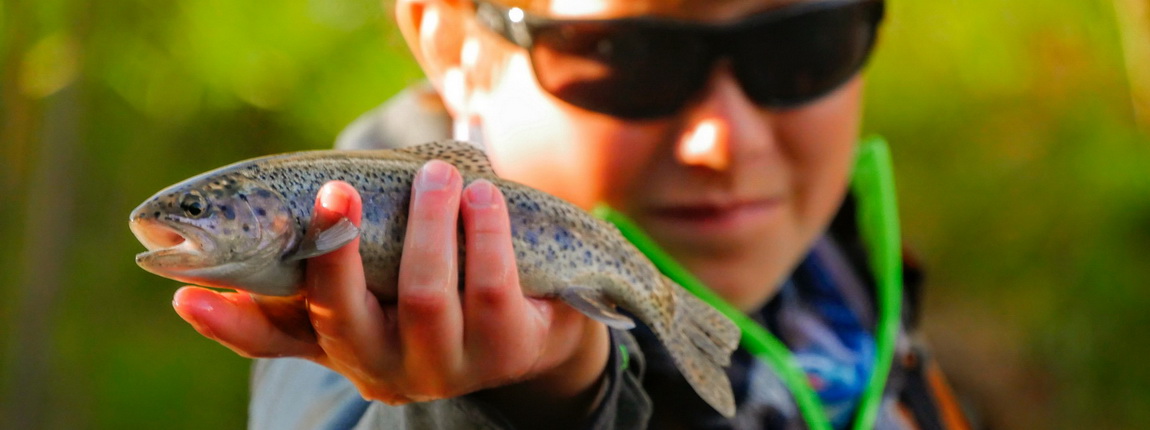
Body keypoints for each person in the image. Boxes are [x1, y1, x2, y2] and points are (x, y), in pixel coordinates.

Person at [170, 0, 973, 428]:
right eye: (631, 55)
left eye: (807, 43)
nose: (724, 140)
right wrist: (531, 396)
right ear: (455, 44)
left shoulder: (849, 281)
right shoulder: (321, 290)